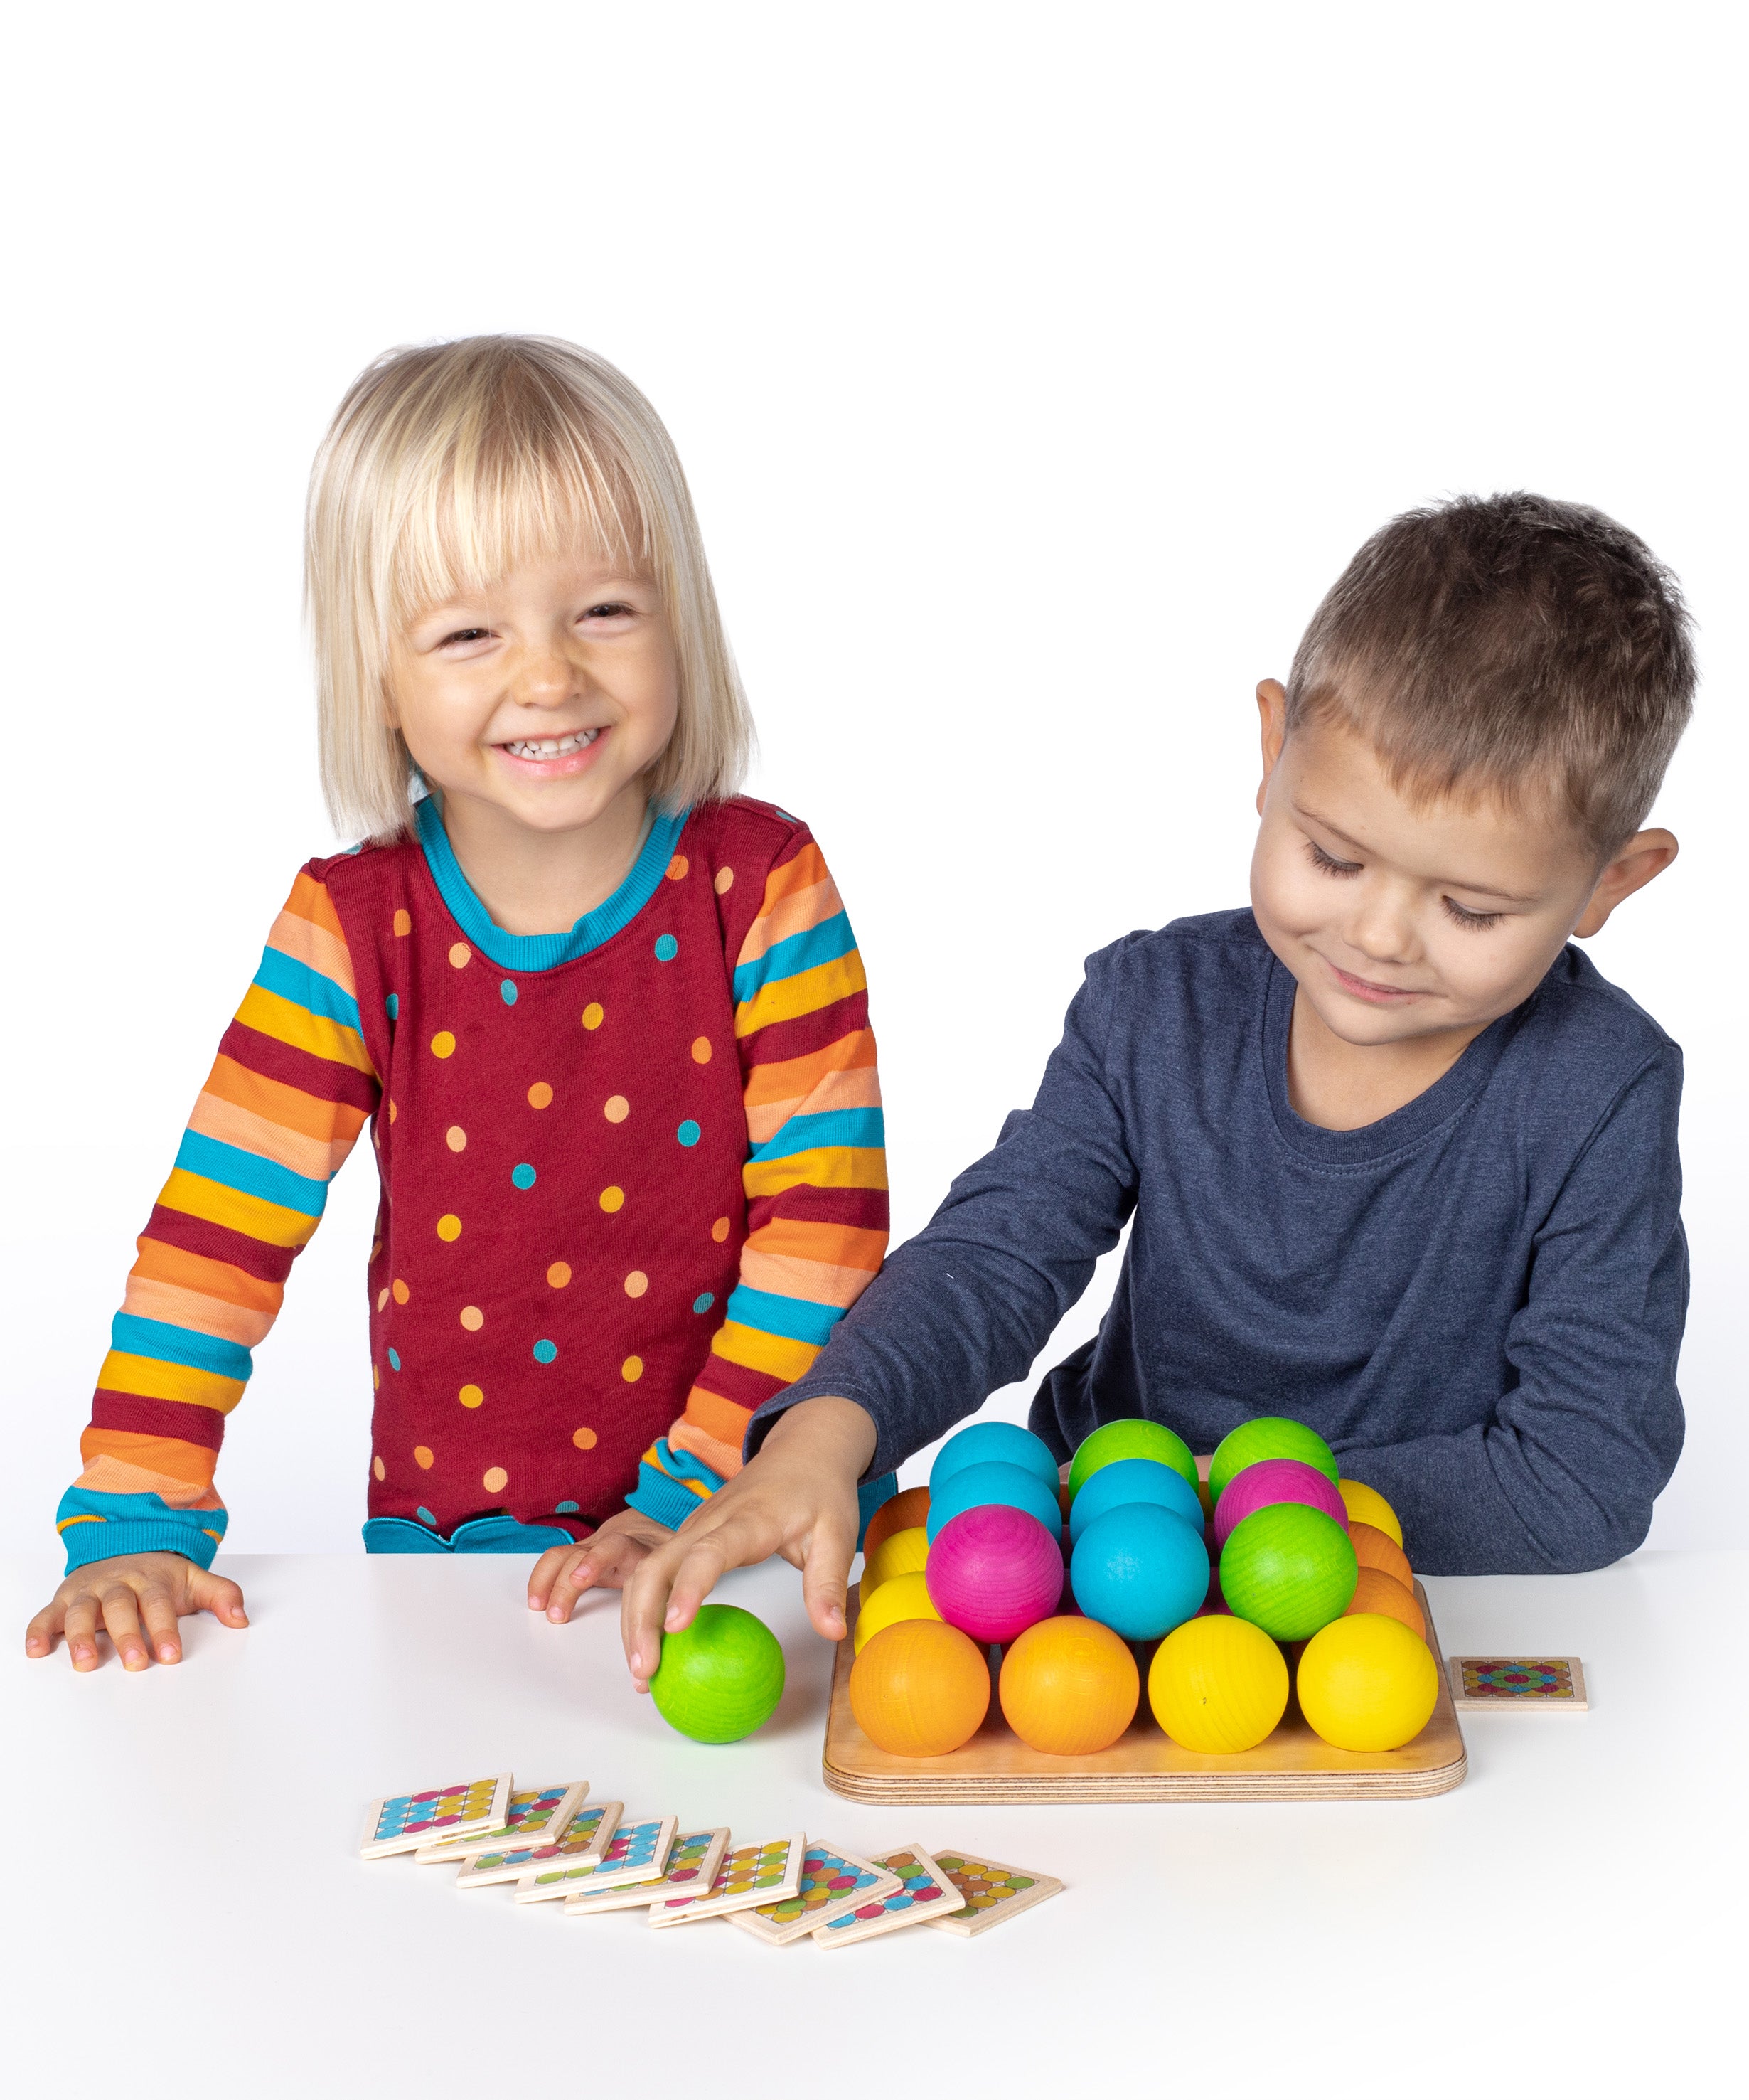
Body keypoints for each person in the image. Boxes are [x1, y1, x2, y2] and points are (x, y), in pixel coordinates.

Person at [609, 492, 1695, 1690]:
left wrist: (1223, 1524)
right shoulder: (1152, 1007)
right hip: (1090, 1584)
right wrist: (825, 1429)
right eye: (1334, 855)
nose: (1381, 935)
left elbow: (1579, 1480)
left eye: (1474, 909)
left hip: (1364, 1596)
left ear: (1611, 882)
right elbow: (999, 1253)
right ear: (1273, 751)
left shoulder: (1602, 1087)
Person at [26, 335, 889, 1671]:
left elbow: (823, 1233)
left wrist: (693, 1495)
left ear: (681, 618)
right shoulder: (354, 924)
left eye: (603, 609)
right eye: (470, 633)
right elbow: (218, 1234)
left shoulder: (760, 885)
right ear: (381, 676)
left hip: (749, 1531)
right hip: (464, 1560)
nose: (547, 676)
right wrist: (138, 1510)